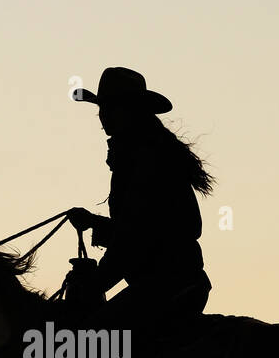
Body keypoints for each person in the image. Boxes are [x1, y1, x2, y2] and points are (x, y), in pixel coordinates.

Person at [66, 67, 214, 334]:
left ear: (132, 111)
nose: (105, 115)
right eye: (103, 108)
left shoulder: (145, 161)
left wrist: (95, 284)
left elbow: (132, 239)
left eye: (112, 108)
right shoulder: (146, 155)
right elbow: (141, 229)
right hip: (175, 280)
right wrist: (94, 222)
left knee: (90, 339)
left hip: (166, 284)